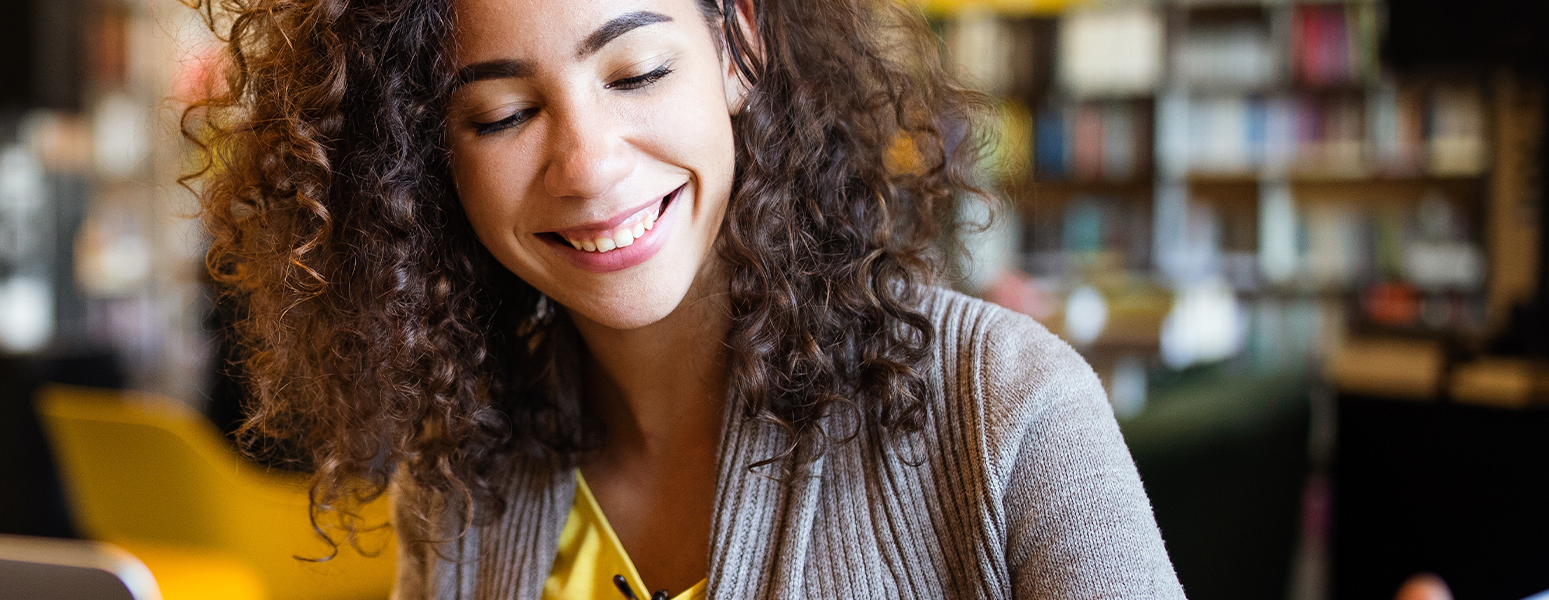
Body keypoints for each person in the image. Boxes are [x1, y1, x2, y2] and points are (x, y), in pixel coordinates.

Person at [183, 0, 1185, 596]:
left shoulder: (1008, 407)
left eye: (639, 71)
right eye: (503, 113)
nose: (587, 166)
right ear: (424, 156)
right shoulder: (461, 477)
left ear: (738, 46)